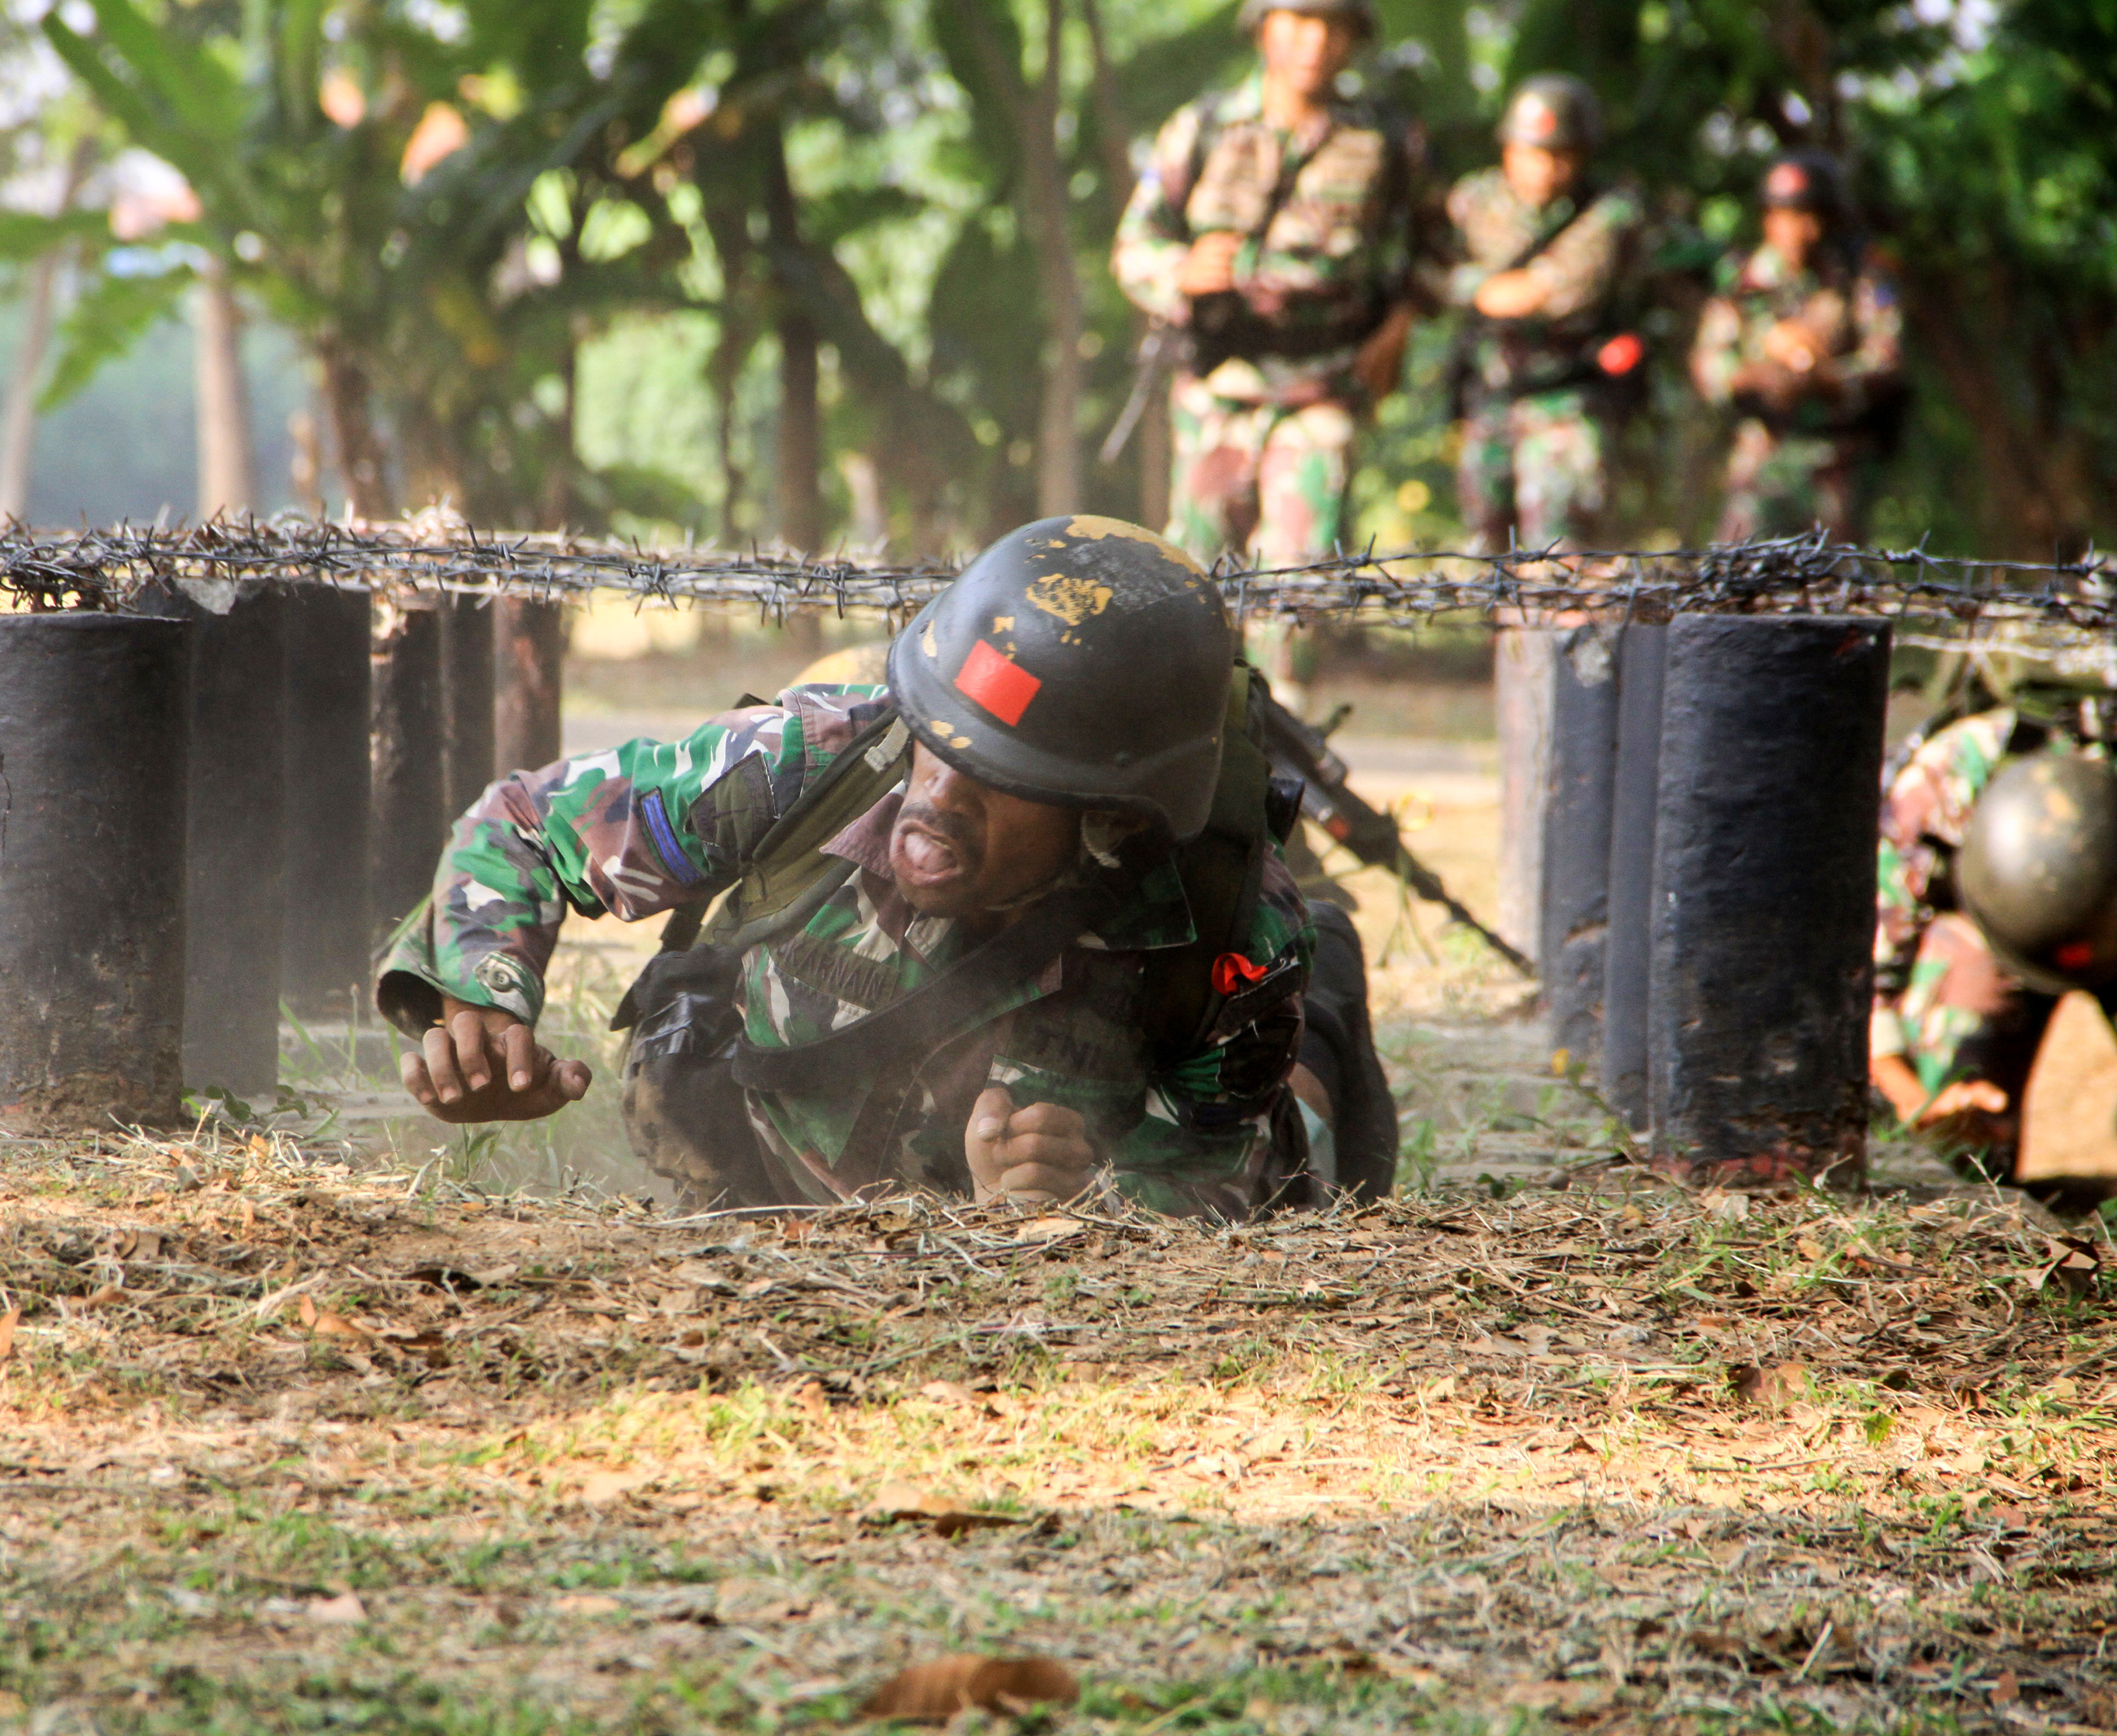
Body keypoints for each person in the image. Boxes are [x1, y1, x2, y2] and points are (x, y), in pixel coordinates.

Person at [378, 517, 1395, 1219]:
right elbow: (523, 819)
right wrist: (479, 1001)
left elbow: (1219, 1178)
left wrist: (1085, 1206)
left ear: (1111, 821)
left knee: (1311, 1092)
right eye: (933, 740)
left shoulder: (1234, 932)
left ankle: (1337, 977)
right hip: (797, 1183)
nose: (933, 801)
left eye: (997, 777)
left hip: (1244, 1066)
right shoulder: (812, 759)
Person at [1111, 0, 1437, 710]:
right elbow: (1134, 245)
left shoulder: (1388, 137)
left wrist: (1402, 323)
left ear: (1354, 38)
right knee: (1194, 570)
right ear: (1262, 27)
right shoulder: (1199, 129)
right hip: (1218, 386)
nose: (1313, 42)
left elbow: (1434, 247)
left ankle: (1277, 744)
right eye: (1295, 19)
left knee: (1298, 571)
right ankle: (1187, 731)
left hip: (1323, 388)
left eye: (1332, 26)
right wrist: (1178, 273)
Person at [1870, 686, 2116, 1185]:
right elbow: (1861, 988)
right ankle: (1968, 1194)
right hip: (1983, 929)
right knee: (1957, 1131)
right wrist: (1918, 1102)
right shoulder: (1952, 774)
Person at [1443, 74, 1647, 553]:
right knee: (1487, 548)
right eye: (1532, 152)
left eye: (1561, 155)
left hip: (1568, 400)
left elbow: (1554, 290)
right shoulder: (1473, 201)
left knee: (1559, 551)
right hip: (1488, 397)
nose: (1545, 169)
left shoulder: (1606, 213)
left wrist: (1485, 287)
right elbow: (1430, 270)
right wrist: (1479, 288)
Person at [1688, 150, 1903, 544]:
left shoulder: (1860, 280)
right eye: (1783, 216)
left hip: (1837, 455)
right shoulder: (1743, 283)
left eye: (1809, 217)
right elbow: (1710, 362)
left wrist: (1828, 380)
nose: (1797, 232)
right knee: (1738, 571)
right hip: (1764, 450)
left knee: (1836, 581)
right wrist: (1752, 377)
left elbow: (1886, 362)